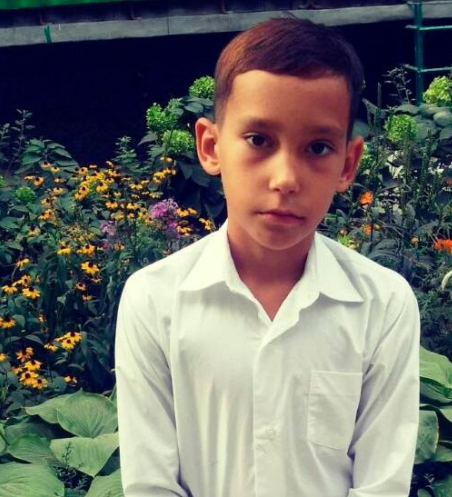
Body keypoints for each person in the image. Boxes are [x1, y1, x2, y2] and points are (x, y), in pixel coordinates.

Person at [115, 16, 420, 497]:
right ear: (211, 147)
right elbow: (151, 485)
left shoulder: (382, 304)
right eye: (259, 140)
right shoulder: (155, 301)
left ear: (347, 163)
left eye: (317, 147)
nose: (285, 179)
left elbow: (381, 485)